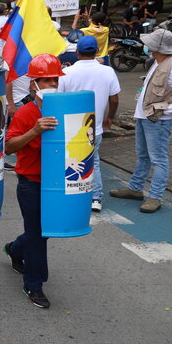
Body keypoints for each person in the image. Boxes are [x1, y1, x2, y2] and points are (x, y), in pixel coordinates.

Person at [2, 54, 69, 310]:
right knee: (39, 234)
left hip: (57, 183)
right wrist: (35, 130)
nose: (52, 84)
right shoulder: (26, 113)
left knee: (43, 231)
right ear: (34, 84)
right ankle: (34, 284)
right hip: (31, 183)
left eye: (55, 79)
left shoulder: (65, 108)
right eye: (46, 80)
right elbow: (8, 146)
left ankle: (15, 249)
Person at [110, 29, 172, 213]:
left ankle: (155, 196)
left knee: (158, 159)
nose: (146, 46)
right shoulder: (158, 60)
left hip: (158, 118)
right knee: (144, 155)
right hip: (145, 115)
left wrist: (166, 109)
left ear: (158, 47)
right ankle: (135, 188)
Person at [57, 36, 120, 213]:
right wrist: (110, 117)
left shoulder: (66, 73)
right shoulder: (107, 71)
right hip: (95, 127)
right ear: (97, 51)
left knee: (68, 160)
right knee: (94, 161)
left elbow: (59, 99)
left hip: (69, 127)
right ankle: (96, 198)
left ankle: (69, 193)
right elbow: (114, 99)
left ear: (77, 52)